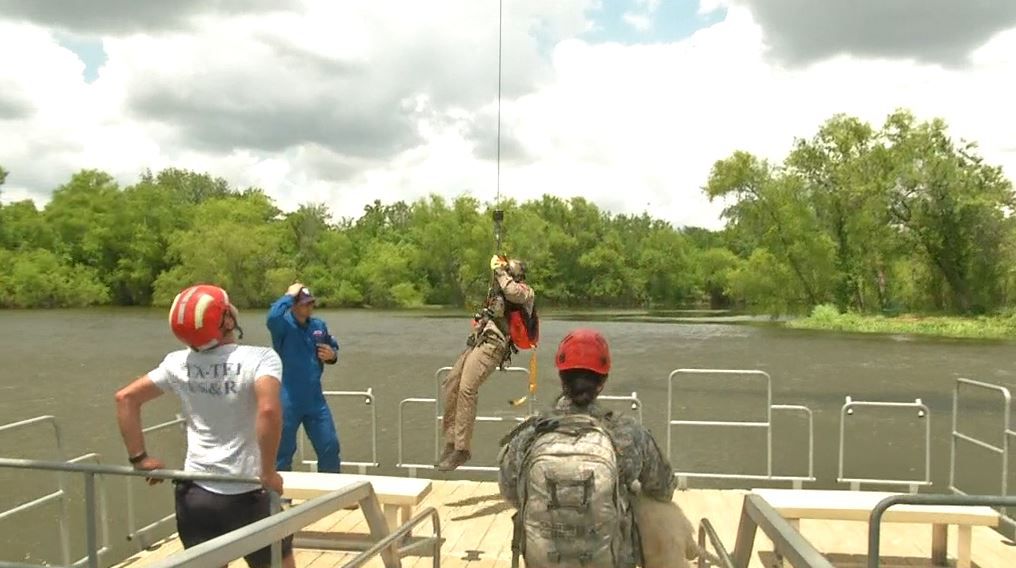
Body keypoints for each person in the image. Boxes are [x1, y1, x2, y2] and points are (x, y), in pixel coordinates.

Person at [114, 284, 294, 568]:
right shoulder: (260, 358)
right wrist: (269, 472)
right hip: (248, 491)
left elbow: (125, 398)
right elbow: (269, 410)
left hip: (196, 494)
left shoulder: (177, 363)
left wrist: (140, 459)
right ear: (227, 321)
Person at [497, 328, 677, 568]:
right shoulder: (628, 434)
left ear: (561, 377)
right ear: (602, 381)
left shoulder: (529, 436)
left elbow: (510, 491)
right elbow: (664, 488)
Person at [438, 254, 538, 471]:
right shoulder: (499, 293)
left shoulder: (525, 292)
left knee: (467, 389)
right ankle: (451, 441)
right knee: (451, 383)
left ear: (515, 275)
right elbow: (489, 312)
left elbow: (513, 292)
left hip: (495, 345)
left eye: (507, 272)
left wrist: (500, 270)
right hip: (480, 341)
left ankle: (462, 449)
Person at [267, 282, 342, 473]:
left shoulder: (318, 326)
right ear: (293, 305)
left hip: (315, 399)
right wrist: (289, 295)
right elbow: (272, 317)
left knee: (330, 445)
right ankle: (280, 490)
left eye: (311, 303)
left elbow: (332, 347)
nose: (309, 307)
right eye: (305, 303)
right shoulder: (283, 326)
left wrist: (332, 355)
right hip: (288, 398)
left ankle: (331, 487)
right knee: (283, 451)